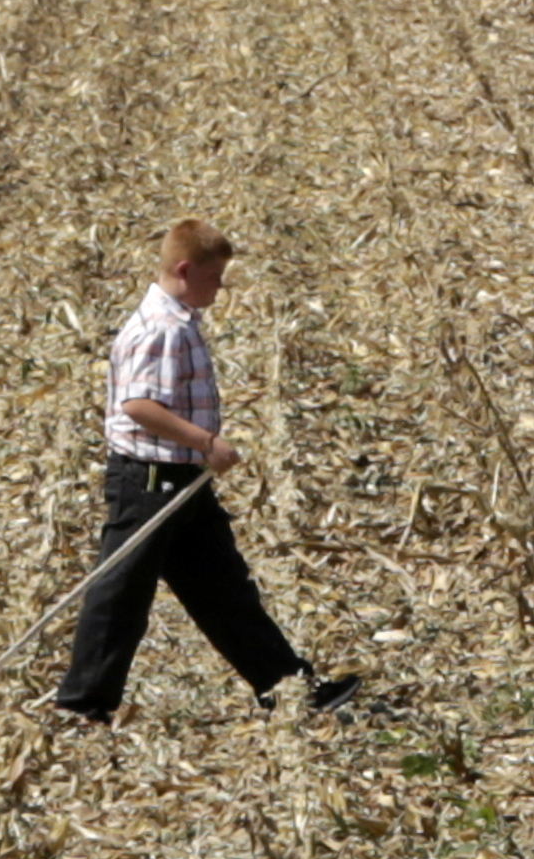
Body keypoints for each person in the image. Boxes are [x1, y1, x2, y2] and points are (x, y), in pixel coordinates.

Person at [50, 218, 359, 729]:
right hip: (150, 481)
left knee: (225, 589)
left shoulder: (180, 319)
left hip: (181, 483)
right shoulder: (161, 329)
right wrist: (206, 442)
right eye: (215, 277)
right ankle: (83, 703)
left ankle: (289, 688)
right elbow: (138, 405)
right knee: (122, 592)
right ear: (185, 270)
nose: (220, 287)